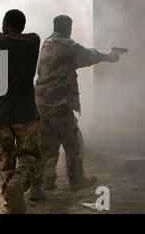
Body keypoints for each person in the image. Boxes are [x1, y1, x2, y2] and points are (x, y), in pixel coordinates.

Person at [35, 15, 120, 192]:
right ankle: (77, 179)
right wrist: (109, 57)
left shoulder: (47, 42)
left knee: (47, 144)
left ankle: (42, 183)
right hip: (58, 102)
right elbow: (88, 55)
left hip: (42, 102)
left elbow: (71, 62)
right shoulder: (67, 44)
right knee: (74, 142)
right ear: (68, 28)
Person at [0, 9, 44, 214]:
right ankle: (18, 186)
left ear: (5, 23)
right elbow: (12, 38)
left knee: (5, 162)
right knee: (30, 158)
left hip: (0, 116)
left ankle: (10, 202)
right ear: (22, 24)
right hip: (26, 115)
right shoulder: (33, 42)